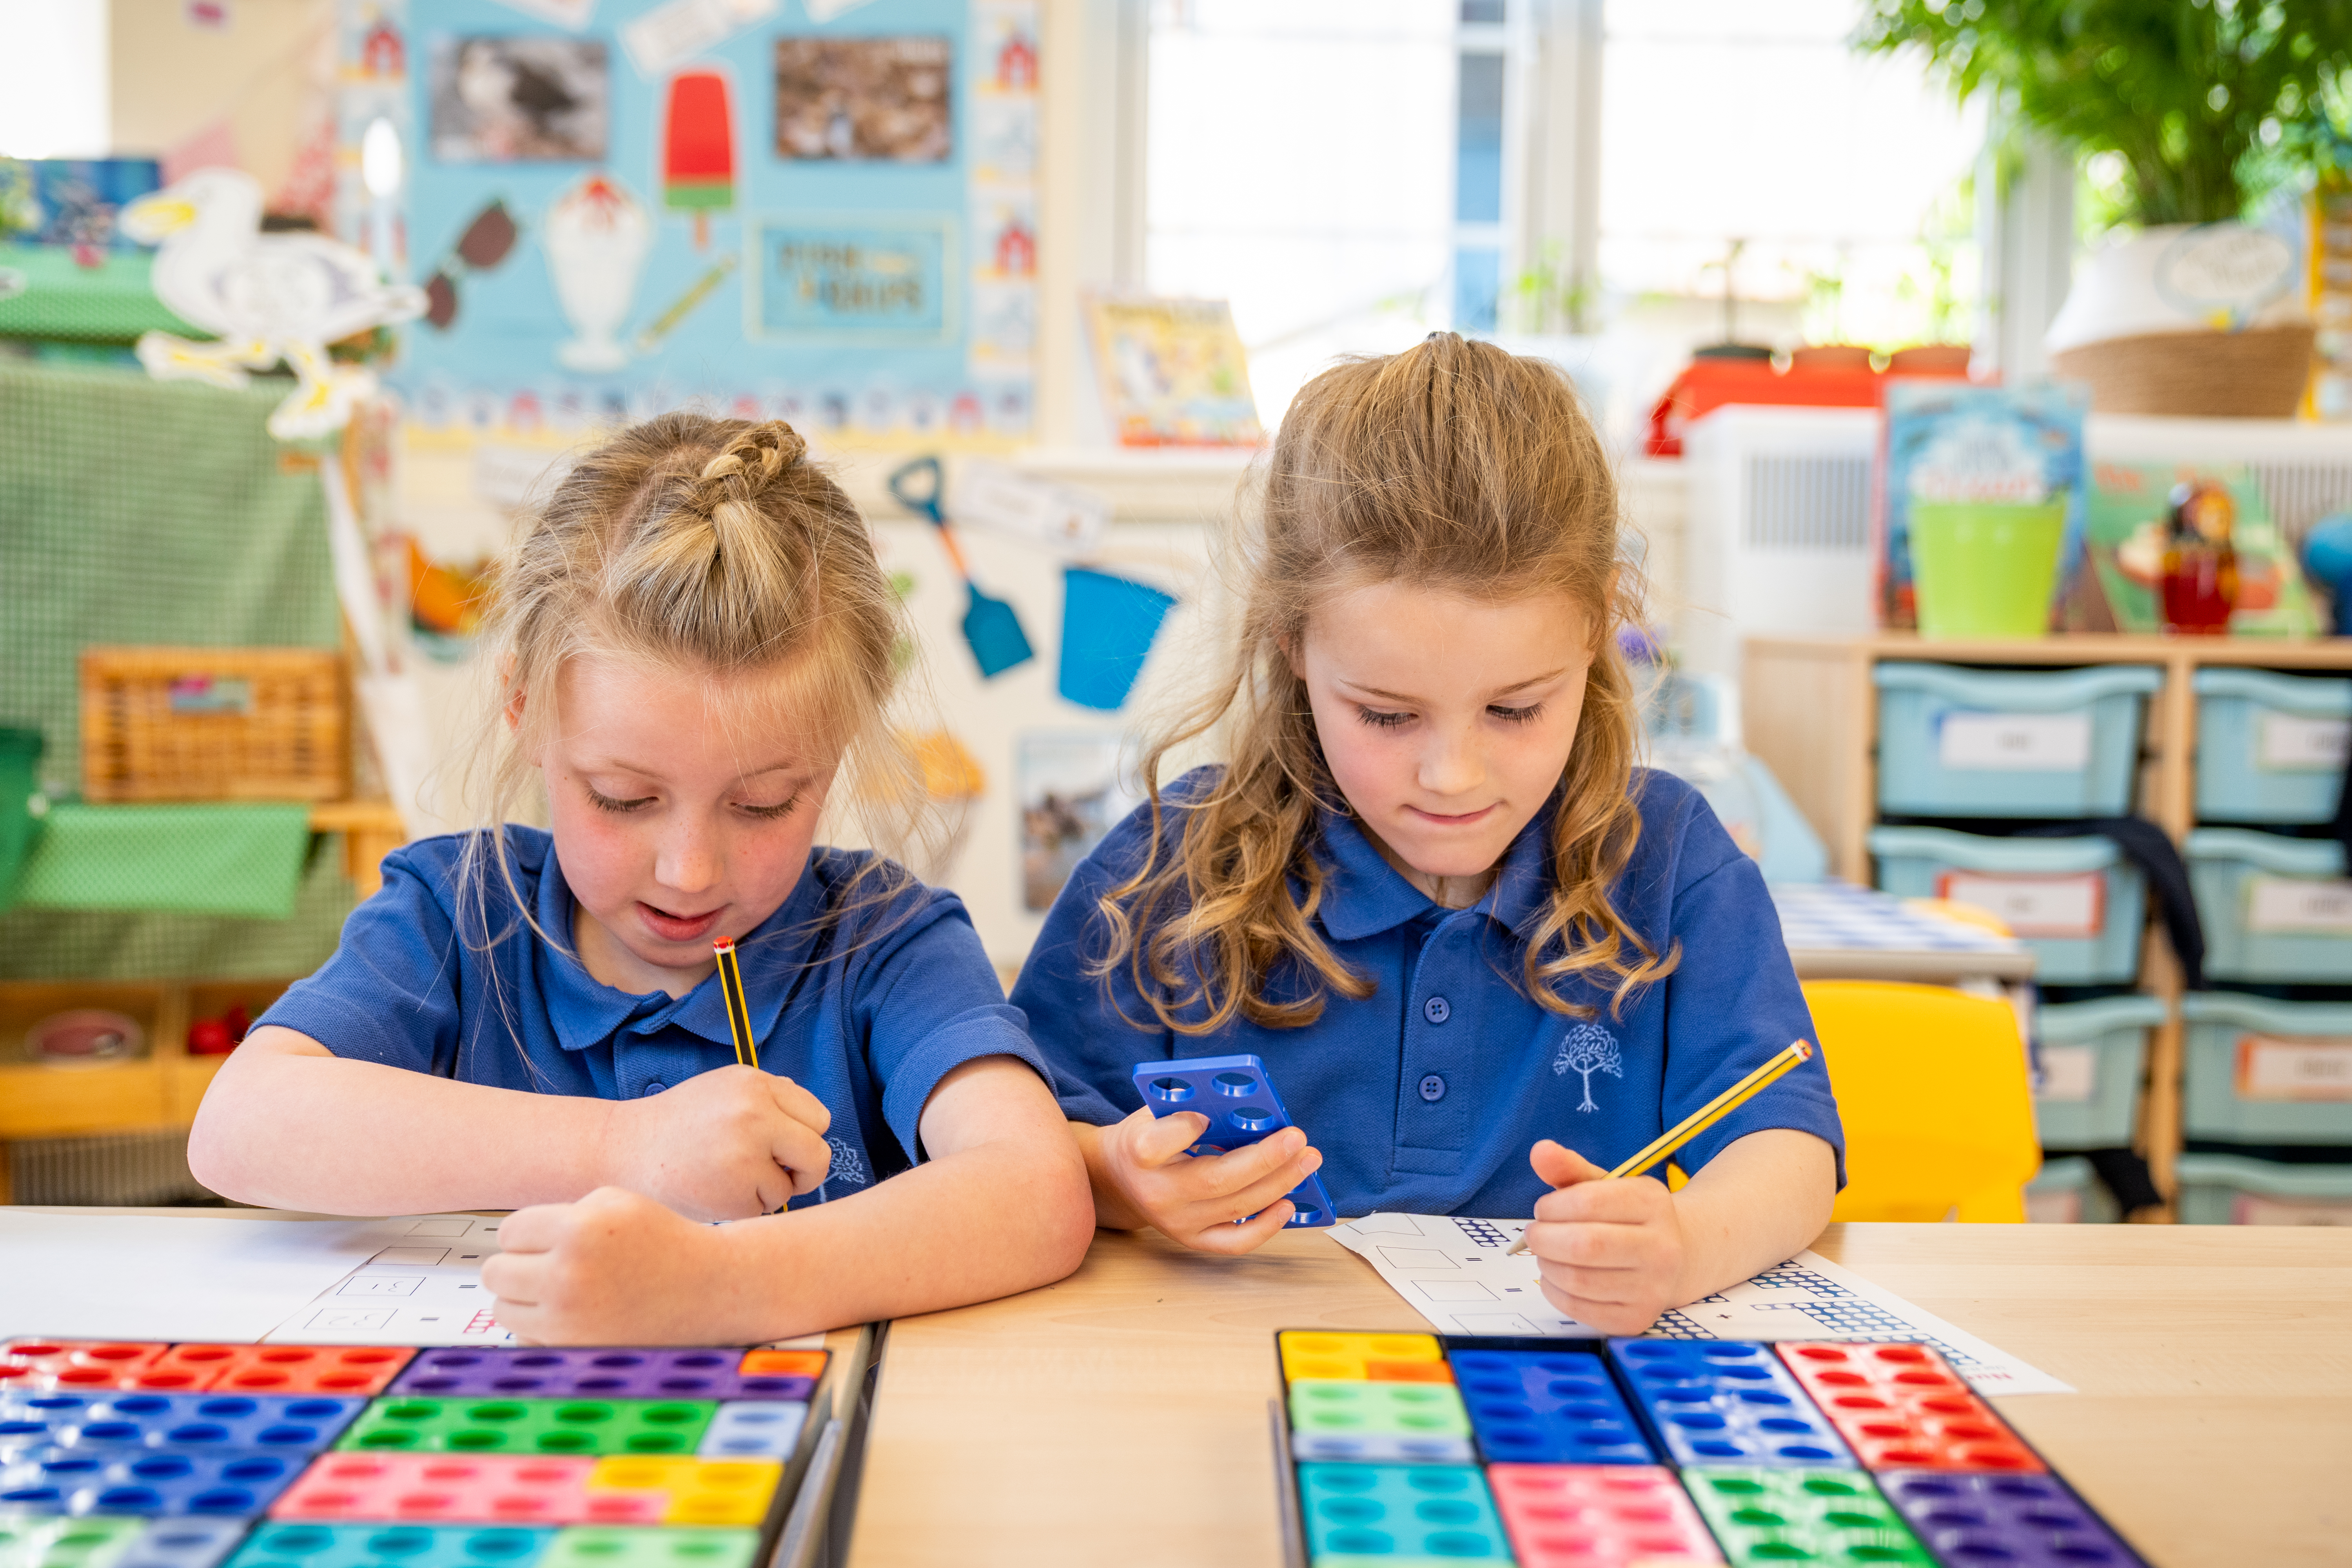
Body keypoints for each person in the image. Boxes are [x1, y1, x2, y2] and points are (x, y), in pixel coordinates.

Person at [191, 415, 1092, 1343]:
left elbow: (1035, 1188)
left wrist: (719, 1284)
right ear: (525, 711)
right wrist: (626, 1145)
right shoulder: (456, 914)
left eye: (763, 804)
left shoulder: (885, 941)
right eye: (623, 798)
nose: (689, 871)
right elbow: (239, 1126)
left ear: (836, 754)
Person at [1013, 335, 1842, 1335]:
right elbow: (1017, 1148)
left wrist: (1687, 1243)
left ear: (1596, 632)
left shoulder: (1670, 862)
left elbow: (1789, 1150)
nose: (1453, 776)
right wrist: (1116, 1177)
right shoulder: (1169, 864)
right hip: (1237, 1395)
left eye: (1517, 709)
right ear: (1292, 644)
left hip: (1556, 1410)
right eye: (1387, 714)